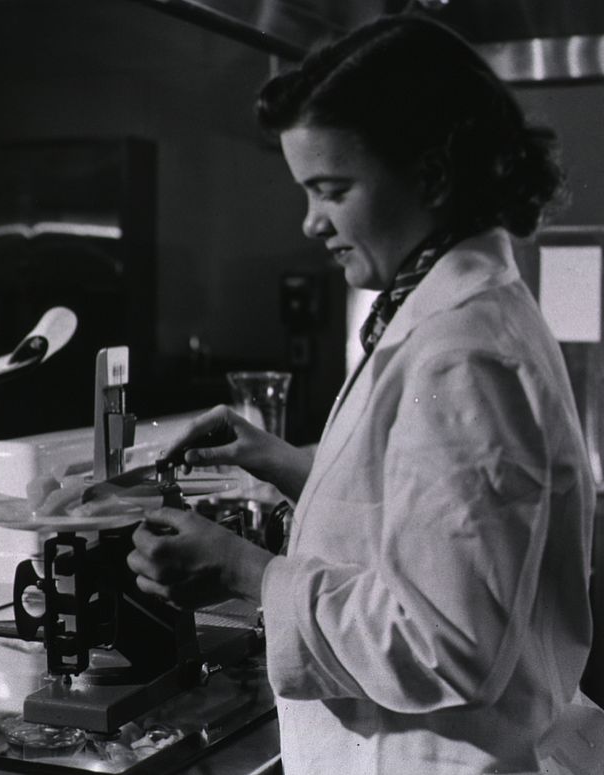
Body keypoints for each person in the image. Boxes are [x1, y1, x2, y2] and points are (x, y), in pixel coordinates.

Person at [127, 15, 604, 775]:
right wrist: (284, 462)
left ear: (432, 173)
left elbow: (450, 640)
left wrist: (245, 572)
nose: (311, 222)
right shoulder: (441, 312)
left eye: (332, 190)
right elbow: (428, 516)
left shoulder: (464, 351)